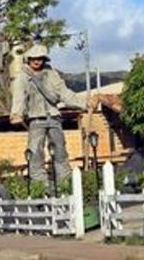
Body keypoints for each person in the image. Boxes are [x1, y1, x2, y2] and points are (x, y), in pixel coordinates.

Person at [10, 44, 97, 186]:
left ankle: (66, 184)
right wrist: (16, 113)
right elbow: (19, 96)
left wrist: (84, 103)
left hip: (54, 116)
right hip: (35, 118)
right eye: (34, 58)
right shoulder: (23, 76)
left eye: (40, 58)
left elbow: (64, 93)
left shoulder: (51, 74)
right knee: (35, 152)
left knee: (60, 150)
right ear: (28, 59)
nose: (37, 61)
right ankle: (40, 186)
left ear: (44, 59)